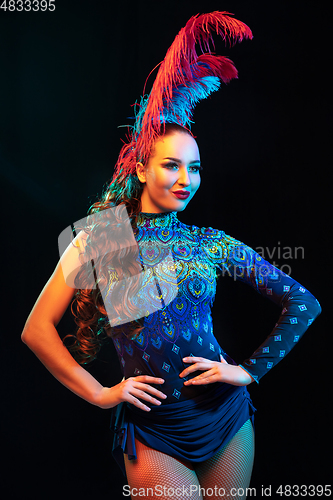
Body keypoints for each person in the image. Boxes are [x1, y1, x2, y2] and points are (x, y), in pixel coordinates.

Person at [21, 12, 321, 500]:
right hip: (155, 427)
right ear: (141, 168)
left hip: (226, 415)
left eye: (195, 167)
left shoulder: (210, 242)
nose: (186, 179)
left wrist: (245, 371)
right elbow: (35, 329)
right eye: (171, 165)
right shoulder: (105, 238)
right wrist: (100, 394)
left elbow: (303, 302)